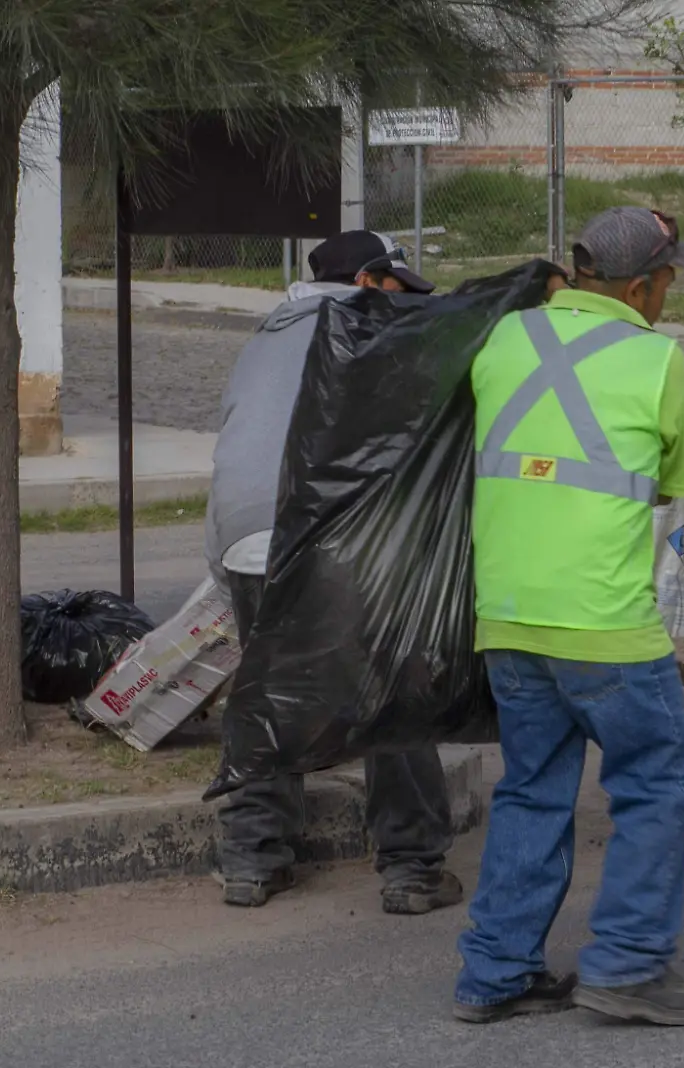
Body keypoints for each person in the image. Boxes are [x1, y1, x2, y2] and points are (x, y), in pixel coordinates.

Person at [452, 207, 684, 1027]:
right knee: (656, 778)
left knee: (532, 790)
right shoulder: (656, 359)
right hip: (604, 625)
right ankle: (629, 966)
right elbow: (674, 483)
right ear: (639, 287)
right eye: (671, 278)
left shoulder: (504, 340)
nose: (671, 294)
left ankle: (495, 973)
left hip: (507, 622)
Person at [206, 230, 462, 914]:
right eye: (399, 293)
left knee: (269, 692)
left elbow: (237, 449)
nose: (404, 308)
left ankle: (252, 861)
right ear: (371, 282)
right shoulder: (370, 330)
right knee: (391, 693)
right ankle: (412, 867)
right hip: (326, 534)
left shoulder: (264, 335)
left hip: (245, 537)